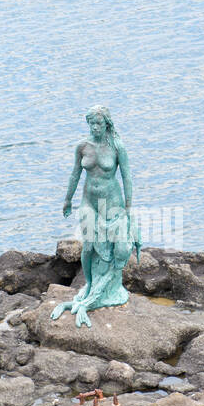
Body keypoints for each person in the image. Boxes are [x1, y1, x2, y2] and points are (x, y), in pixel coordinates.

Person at [51, 105, 141, 327]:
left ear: (107, 124)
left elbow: (127, 177)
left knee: (115, 249)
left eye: (99, 123)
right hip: (89, 203)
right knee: (89, 245)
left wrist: (129, 208)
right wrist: (67, 199)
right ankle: (90, 286)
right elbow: (75, 173)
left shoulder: (116, 146)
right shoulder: (82, 147)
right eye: (92, 123)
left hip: (113, 204)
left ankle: (109, 289)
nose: (95, 127)